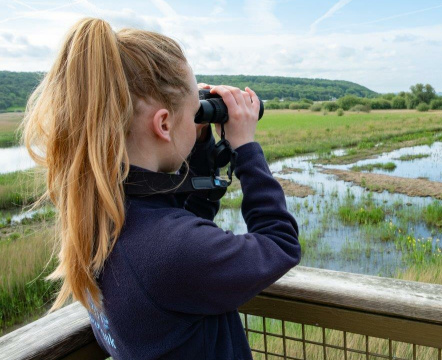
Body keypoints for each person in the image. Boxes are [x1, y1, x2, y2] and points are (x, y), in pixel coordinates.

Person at [21, 17, 300, 359]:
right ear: (164, 123)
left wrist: (199, 144)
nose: (198, 119)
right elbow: (280, 243)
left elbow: (186, 219)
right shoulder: (170, 248)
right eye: (195, 113)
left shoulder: (101, 218)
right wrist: (245, 148)